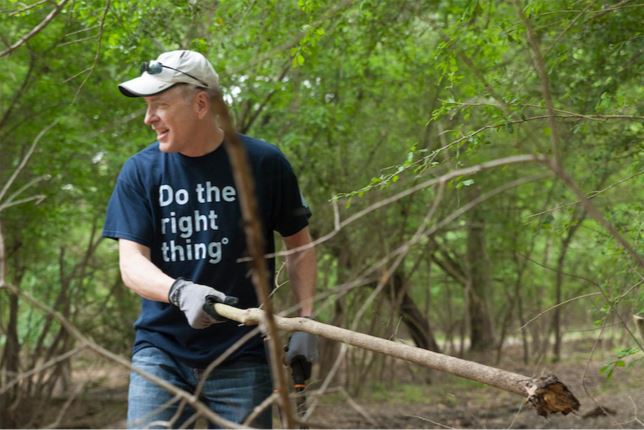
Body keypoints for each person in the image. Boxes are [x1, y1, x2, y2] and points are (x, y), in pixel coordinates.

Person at [102, 50, 318, 429]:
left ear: (201, 103)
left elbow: (298, 244)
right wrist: (179, 291)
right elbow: (131, 263)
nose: (148, 118)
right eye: (148, 106)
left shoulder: (264, 164)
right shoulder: (141, 172)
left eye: (160, 105)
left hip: (243, 353)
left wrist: (306, 320)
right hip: (161, 352)